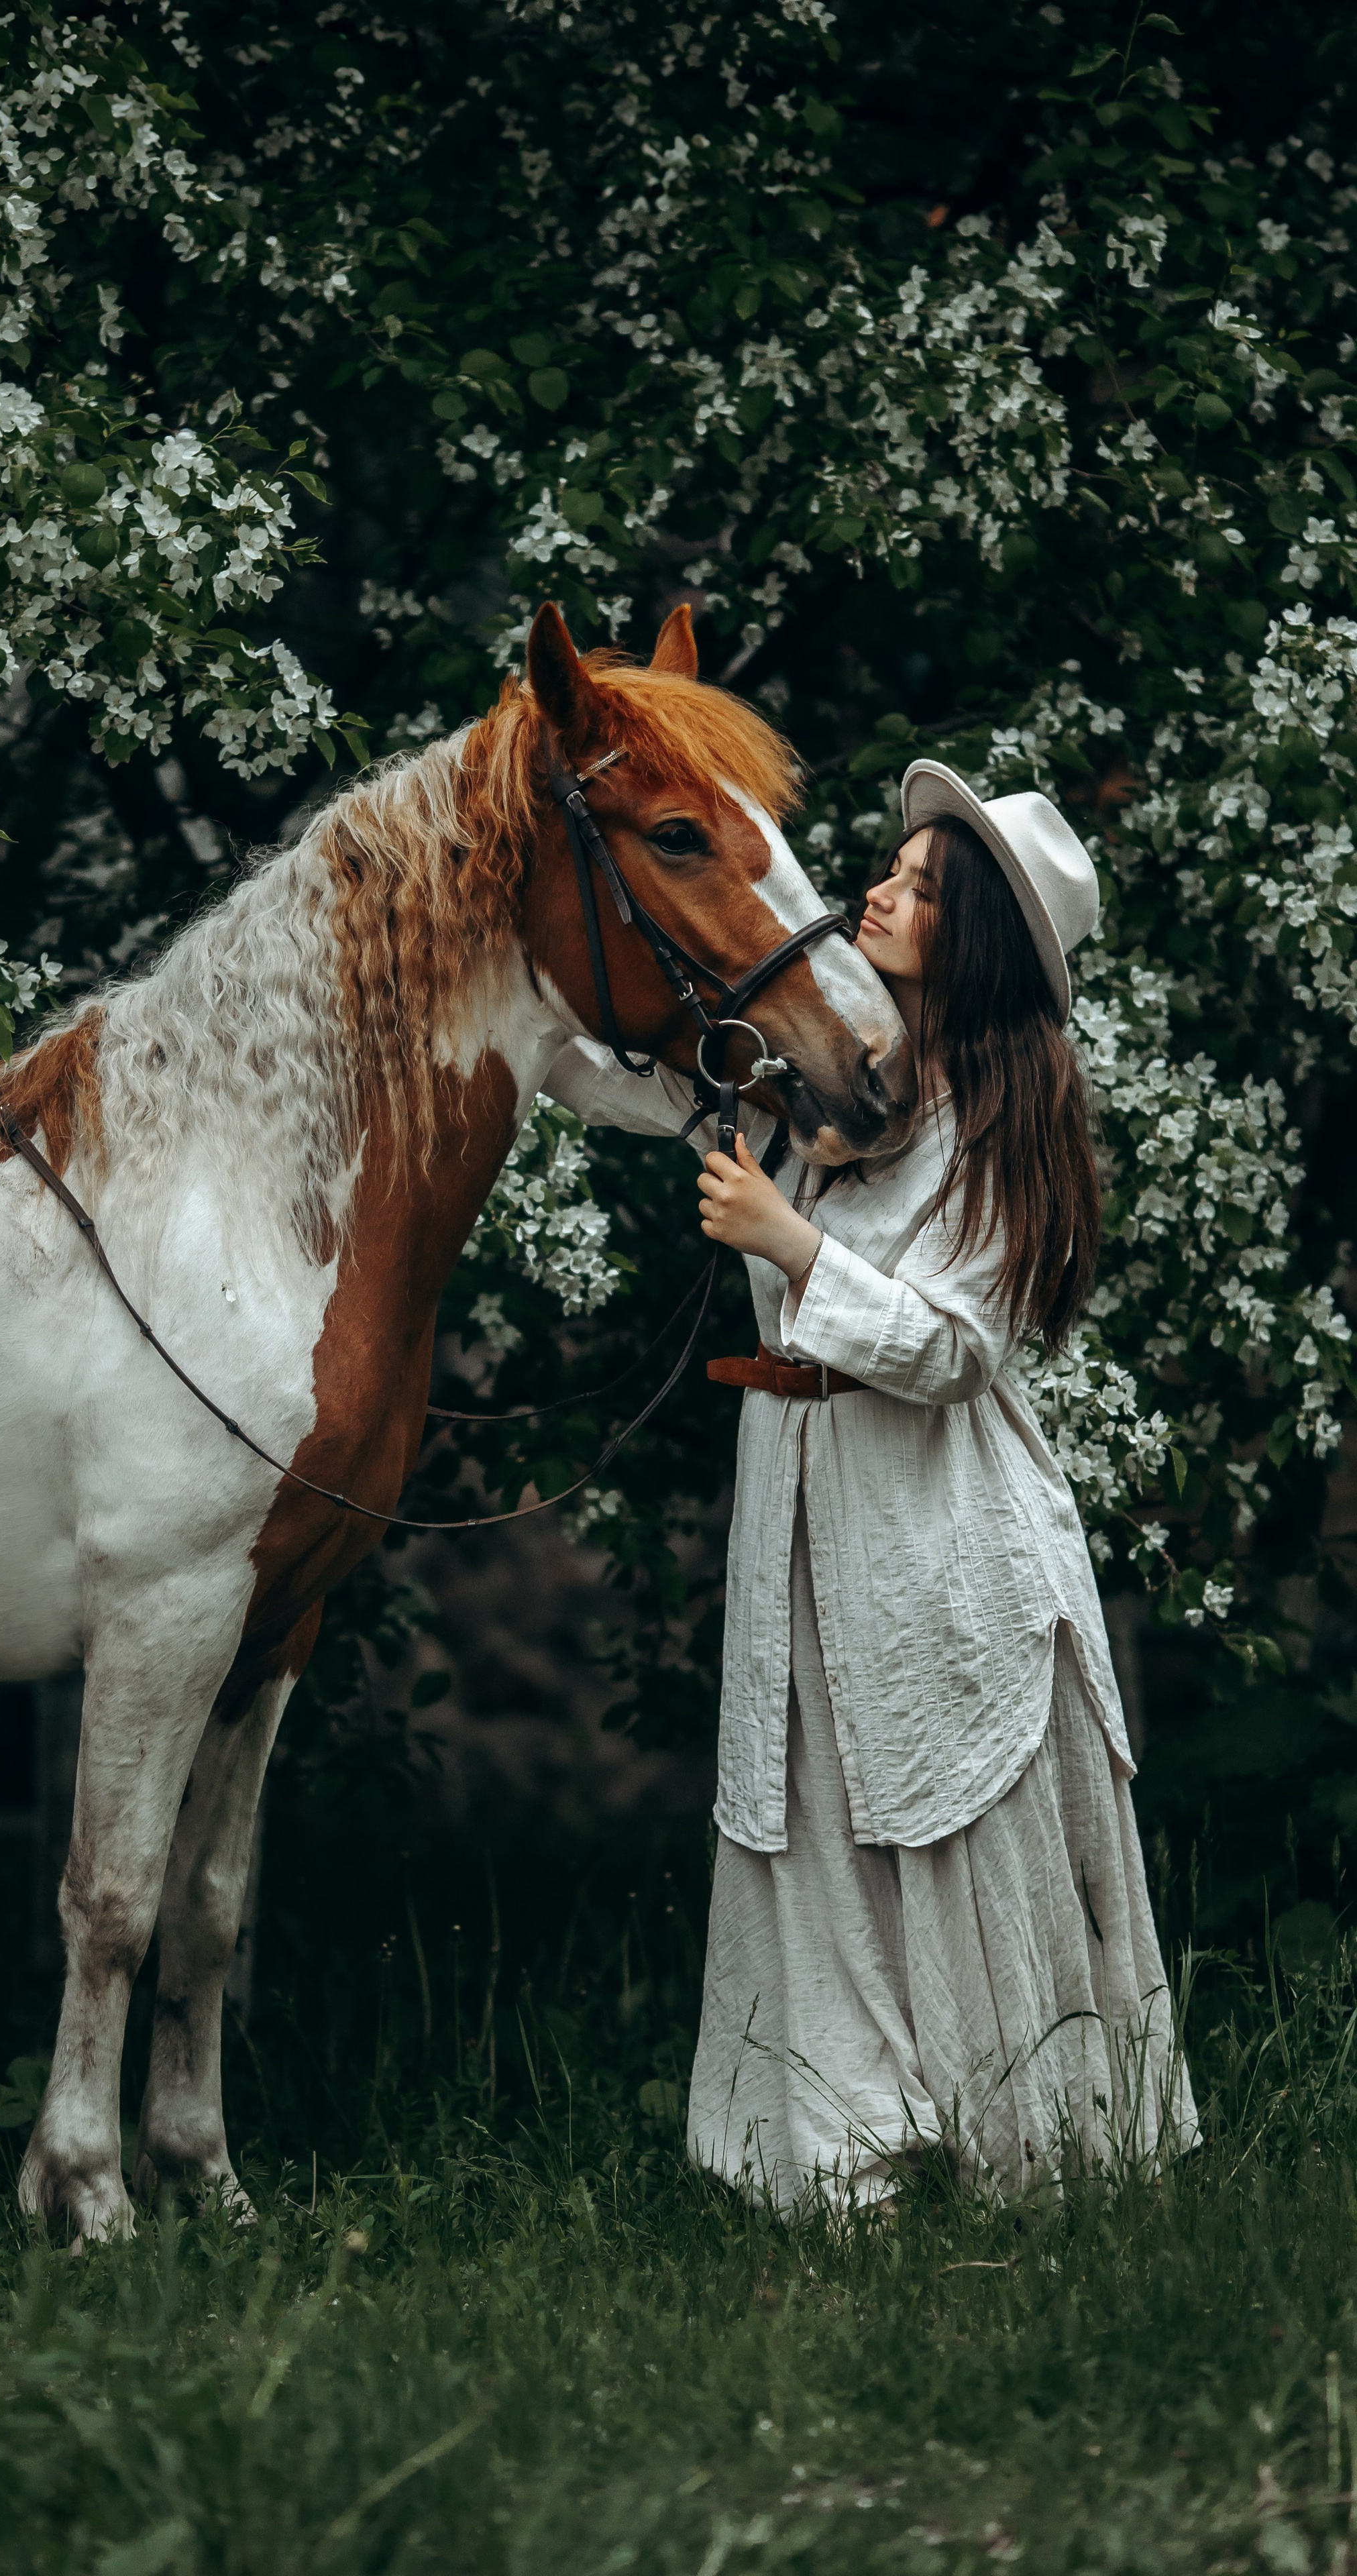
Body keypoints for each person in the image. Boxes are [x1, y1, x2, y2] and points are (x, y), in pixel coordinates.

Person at [545, 758, 1197, 2208]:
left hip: (935, 1517)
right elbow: (622, 1077)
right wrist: (521, 991)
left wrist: (787, 1244)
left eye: (913, 888)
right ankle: (839, 2152)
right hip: (799, 1492)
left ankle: (1025, 2143)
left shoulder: (1000, 1127)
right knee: (817, 1799)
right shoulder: (828, 1072)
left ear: (968, 939)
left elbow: (953, 1352)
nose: (876, 892)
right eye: (886, 871)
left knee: (944, 1791)